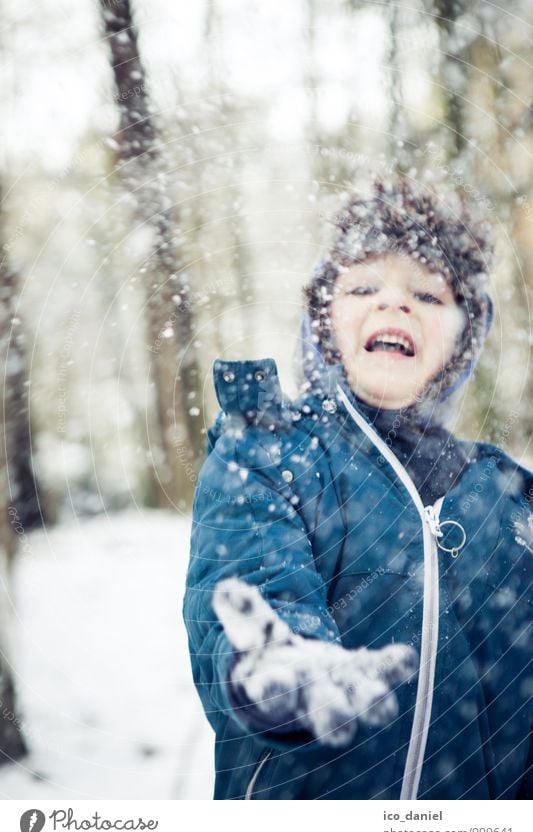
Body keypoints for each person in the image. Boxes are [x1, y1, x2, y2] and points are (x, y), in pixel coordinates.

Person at [183, 176, 532, 800]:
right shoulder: (267, 454)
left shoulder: (510, 500)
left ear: (463, 336)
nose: (394, 305)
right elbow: (249, 576)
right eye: (364, 287)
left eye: (427, 293)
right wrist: (283, 662)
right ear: (325, 321)